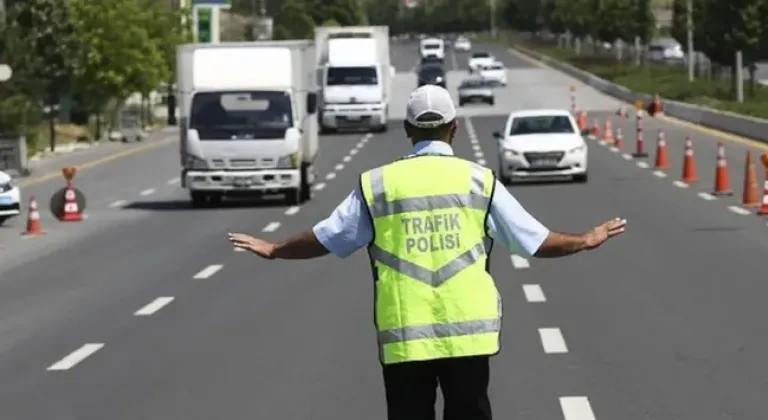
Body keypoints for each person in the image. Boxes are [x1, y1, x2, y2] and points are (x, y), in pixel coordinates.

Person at [228, 84, 627, 420]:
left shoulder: (379, 185)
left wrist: (275, 248)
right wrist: (585, 240)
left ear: (407, 130)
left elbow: (329, 237)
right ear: (454, 128)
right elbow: (534, 241)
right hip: (469, 337)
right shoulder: (478, 181)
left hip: (405, 338)